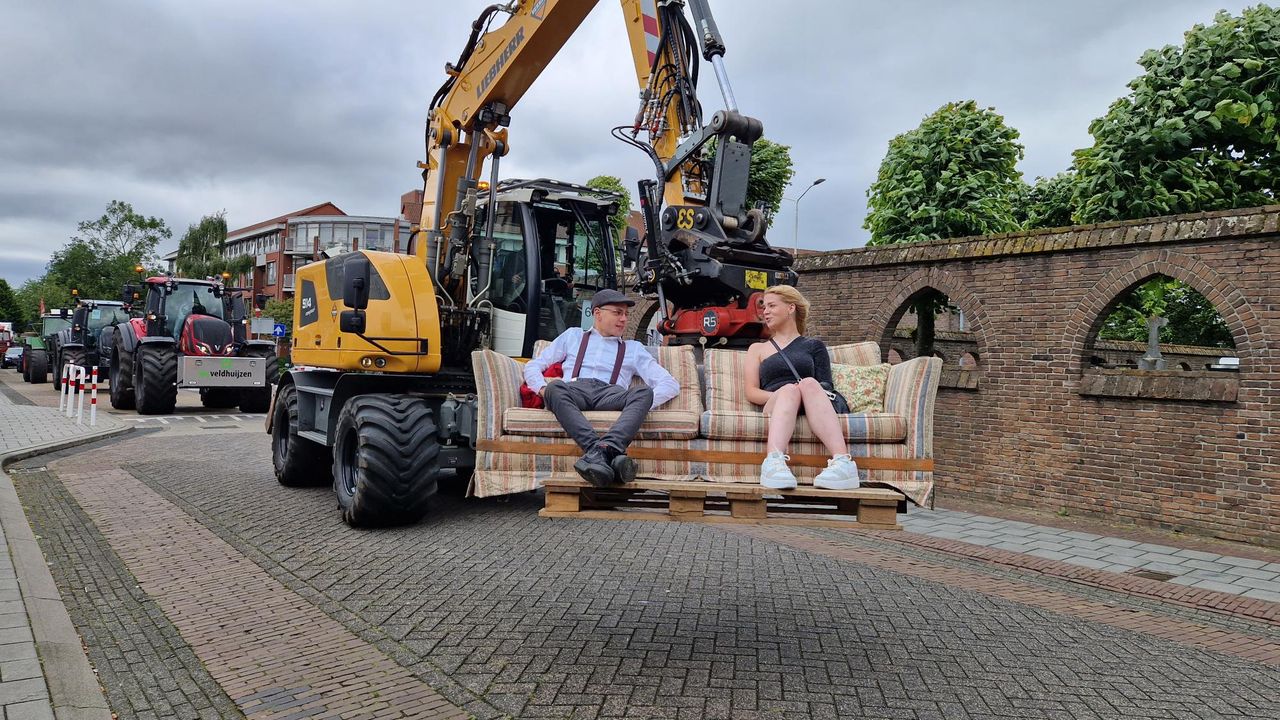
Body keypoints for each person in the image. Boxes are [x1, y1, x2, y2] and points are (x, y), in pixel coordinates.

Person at [523, 288, 680, 487]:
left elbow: (670, 384)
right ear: (598, 313)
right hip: (575, 390)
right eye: (617, 313)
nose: (624, 319)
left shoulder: (633, 349)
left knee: (643, 392)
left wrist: (637, 406)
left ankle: (598, 452)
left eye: (626, 314)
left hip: (611, 395)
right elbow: (533, 366)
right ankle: (607, 452)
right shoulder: (573, 336)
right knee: (554, 388)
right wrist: (542, 389)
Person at [744, 285, 860, 491]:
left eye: (771, 305)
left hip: (812, 400)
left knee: (807, 383)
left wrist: (801, 390)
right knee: (790, 390)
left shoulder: (814, 345)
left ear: (791, 308)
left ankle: (843, 463)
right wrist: (786, 392)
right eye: (764, 307)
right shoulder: (758, 348)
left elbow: (826, 385)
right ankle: (773, 462)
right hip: (777, 402)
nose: (765, 311)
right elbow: (752, 392)